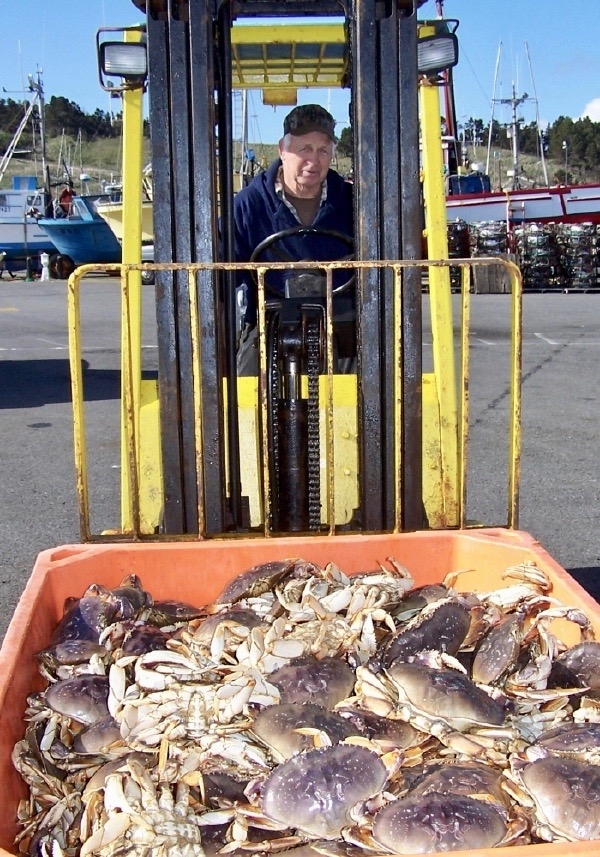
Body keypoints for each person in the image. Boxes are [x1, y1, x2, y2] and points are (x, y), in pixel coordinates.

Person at [233, 104, 353, 374]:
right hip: (269, 325)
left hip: (341, 324)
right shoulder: (248, 205)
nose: (314, 160)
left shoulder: (353, 202)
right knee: (245, 385)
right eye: (305, 149)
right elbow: (219, 274)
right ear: (282, 150)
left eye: (323, 150)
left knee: (370, 378)